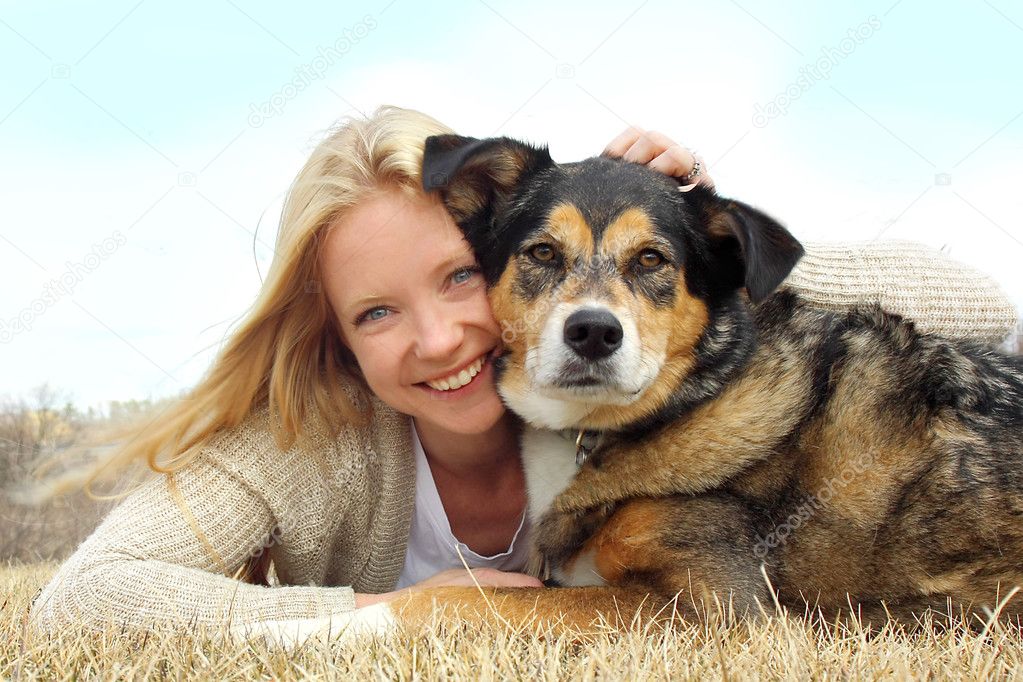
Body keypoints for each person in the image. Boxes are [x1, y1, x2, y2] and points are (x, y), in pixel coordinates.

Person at [27, 105, 1018, 637]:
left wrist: (705, 241)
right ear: (336, 337)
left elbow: (981, 308)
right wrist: (391, 618)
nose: (439, 338)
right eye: (377, 312)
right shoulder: (313, 443)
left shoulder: (620, 387)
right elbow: (83, 598)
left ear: (490, 250)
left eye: (459, 276)